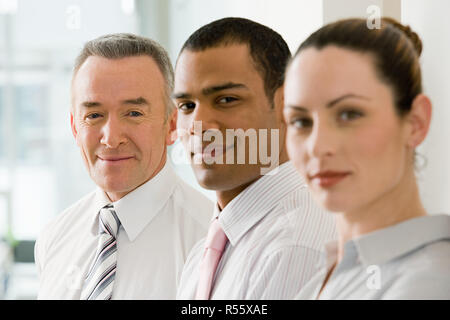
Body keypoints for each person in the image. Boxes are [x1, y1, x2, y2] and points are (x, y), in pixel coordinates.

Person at [34, 33, 213, 299]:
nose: (111, 138)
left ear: (172, 125)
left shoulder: (209, 240)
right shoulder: (54, 237)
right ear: (74, 127)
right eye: (94, 115)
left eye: (133, 113)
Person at [283, 17, 450, 299]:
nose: (317, 146)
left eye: (349, 114)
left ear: (416, 122)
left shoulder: (428, 283)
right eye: (301, 121)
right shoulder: (323, 279)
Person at [174, 17, 337, 300]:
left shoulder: (294, 248)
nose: (198, 125)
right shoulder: (205, 251)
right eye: (187, 105)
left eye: (226, 99)